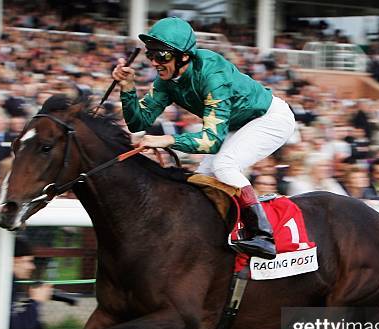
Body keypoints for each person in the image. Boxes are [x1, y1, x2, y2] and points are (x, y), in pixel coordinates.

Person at [112, 17, 296, 259]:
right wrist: (127, 88)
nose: (155, 62)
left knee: (224, 165)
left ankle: (263, 235)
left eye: (162, 56)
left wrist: (166, 141)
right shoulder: (167, 80)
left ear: (184, 56)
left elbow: (211, 142)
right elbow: (139, 123)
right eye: (151, 55)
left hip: (270, 118)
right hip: (237, 124)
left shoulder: (213, 75)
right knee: (203, 178)